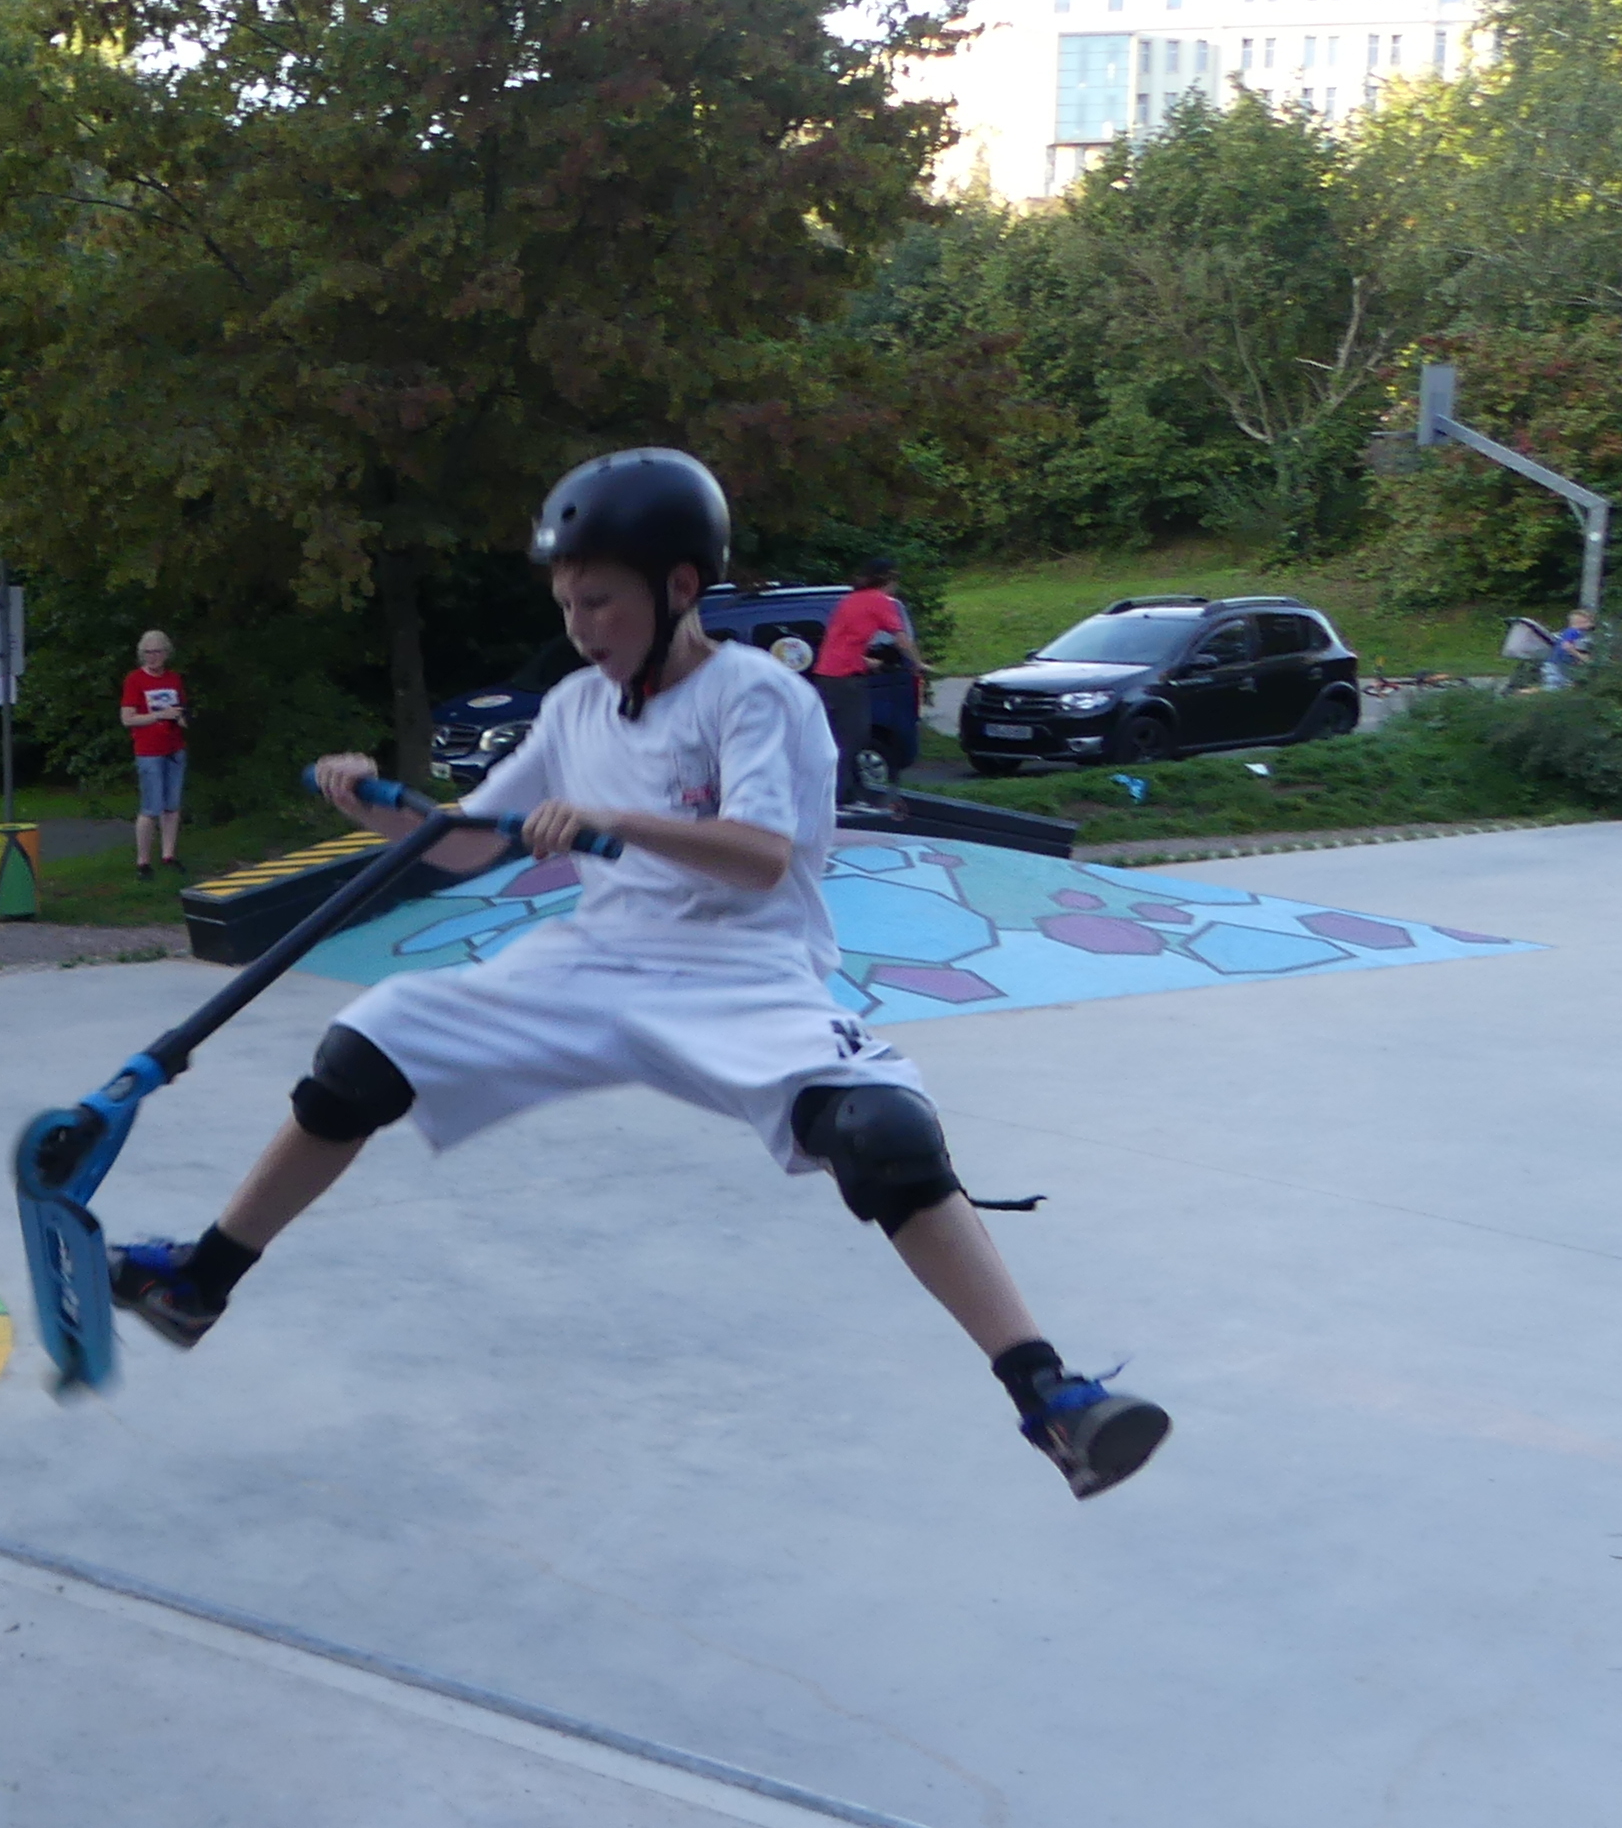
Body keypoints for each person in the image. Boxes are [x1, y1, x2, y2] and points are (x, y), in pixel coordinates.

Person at [104, 448, 1170, 1502]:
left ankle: (1052, 1402)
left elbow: (761, 855)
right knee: (359, 1055)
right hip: (594, 961)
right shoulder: (574, 706)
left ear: (678, 588)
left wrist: (610, 819)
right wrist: (376, 805)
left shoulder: (757, 698)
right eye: (567, 604)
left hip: (743, 972)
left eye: (600, 602)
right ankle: (200, 1281)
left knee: (883, 1140)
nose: (579, 625)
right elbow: (469, 842)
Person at [810, 554, 927, 802]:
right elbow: (902, 638)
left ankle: (842, 792)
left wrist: (868, 661)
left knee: (836, 737)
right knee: (854, 737)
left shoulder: (849, 600)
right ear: (889, 579)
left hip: (826, 676)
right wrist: (917, 664)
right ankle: (840, 798)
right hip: (846, 680)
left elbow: (840, 643)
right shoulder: (880, 601)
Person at [120, 632, 192, 879]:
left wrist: (181, 718)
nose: (153, 656)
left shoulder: (173, 679)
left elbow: (181, 709)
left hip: (174, 748)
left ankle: (169, 855)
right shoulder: (135, 680)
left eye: (158, 651)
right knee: (151, 807)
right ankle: (143, 861)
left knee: (172, 806)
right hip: (149, 751)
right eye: (148, 652)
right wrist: (160, 715)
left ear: (166, 653)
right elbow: (127, 718)